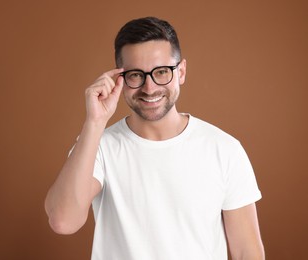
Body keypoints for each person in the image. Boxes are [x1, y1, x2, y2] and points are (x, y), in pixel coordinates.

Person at [45, 17, 265, 260]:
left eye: (161, 72)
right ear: (120, 79)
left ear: (181, 72)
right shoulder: (98, 145)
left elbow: (248, 252)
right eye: (136, 75)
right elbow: (63, 221)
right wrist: (94, 122)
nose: (149, 88)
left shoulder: (224, 149)